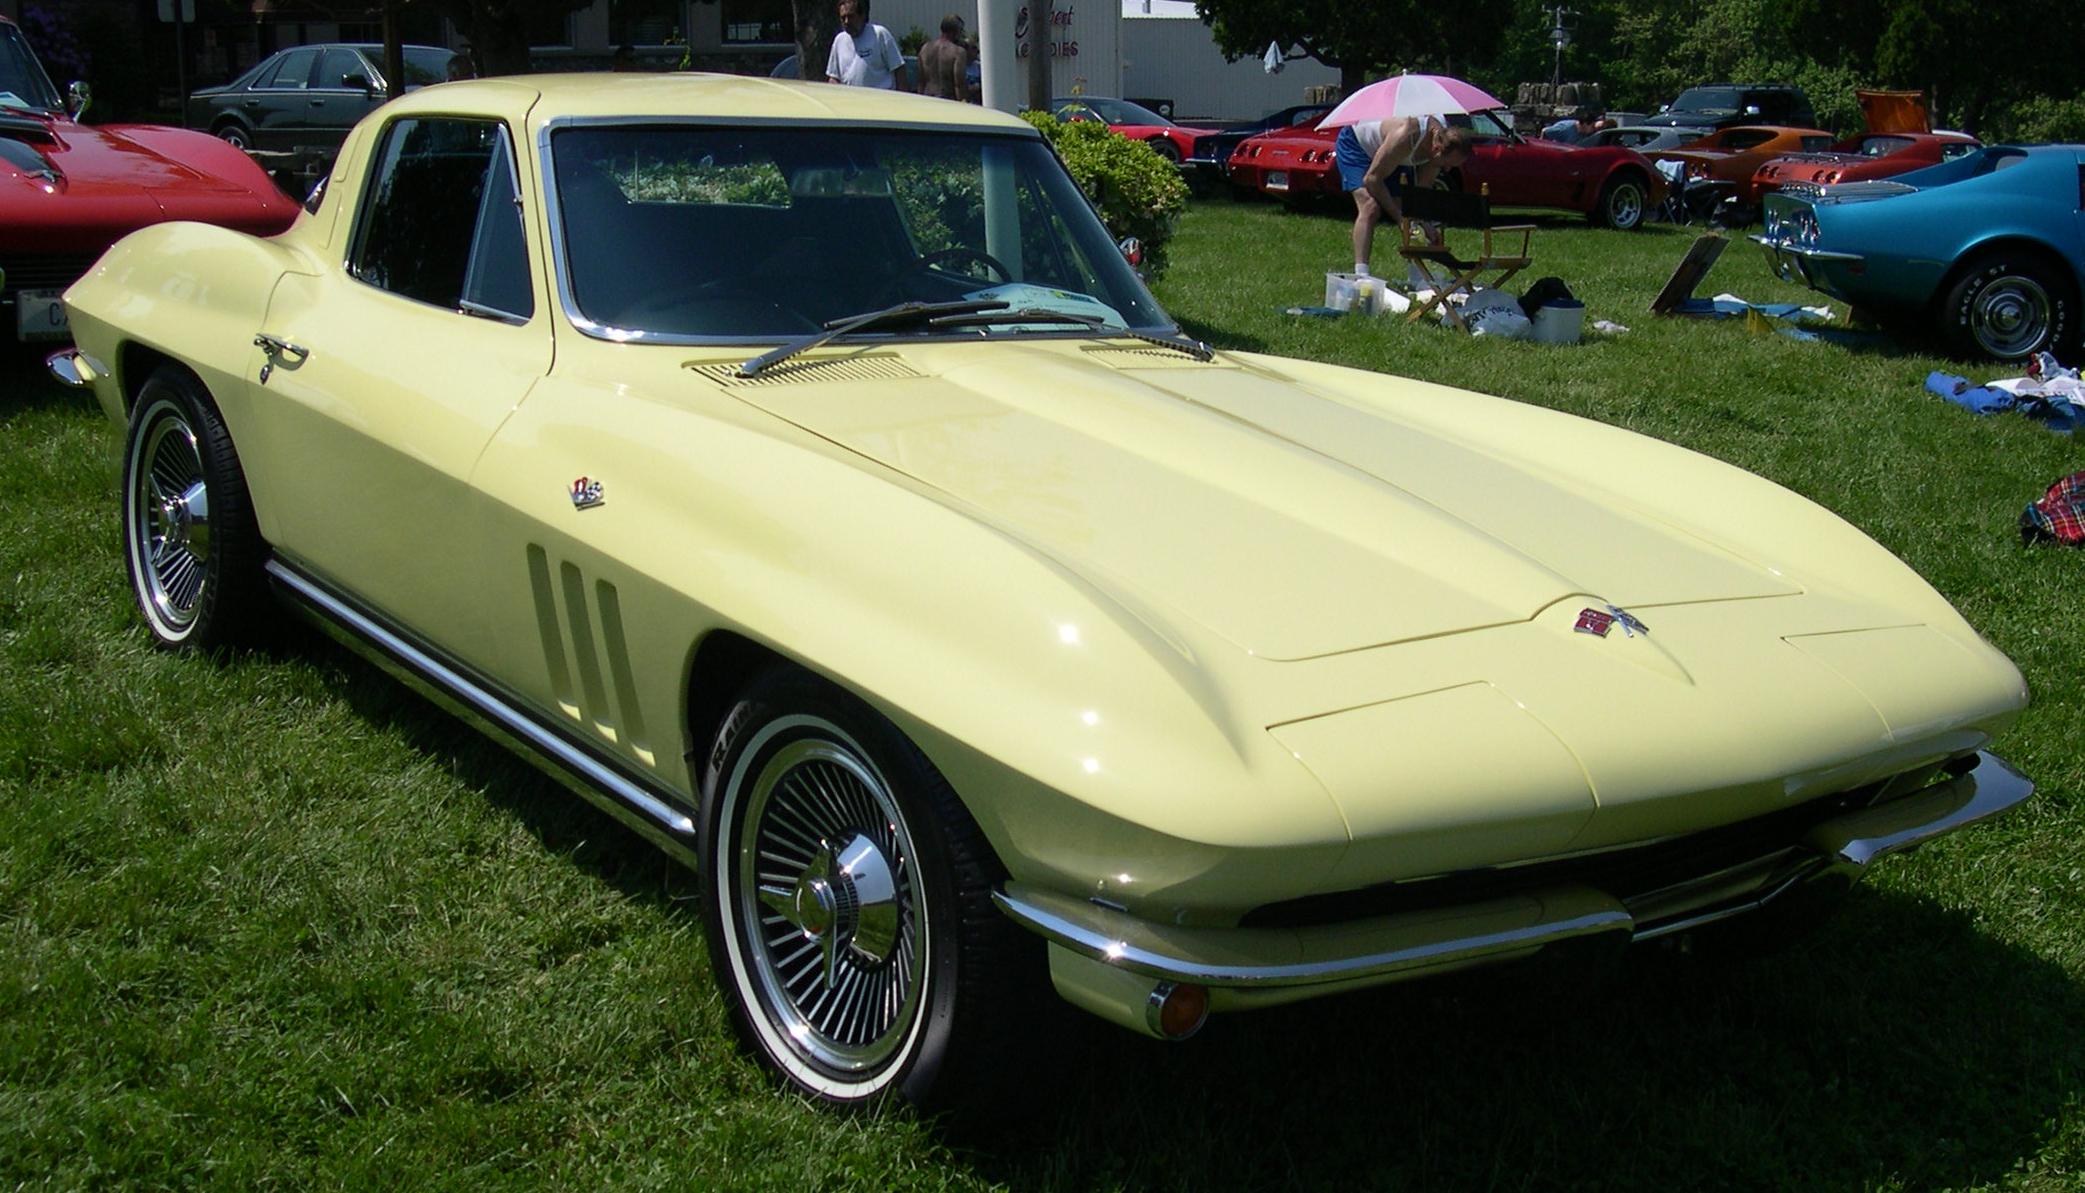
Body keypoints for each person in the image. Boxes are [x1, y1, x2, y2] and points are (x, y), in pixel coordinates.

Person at [1338, 115, 1475, 277]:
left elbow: (1420, 192)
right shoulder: (1405, 136)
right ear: (1436, 149)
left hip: (1395, 154)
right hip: (1358, 146)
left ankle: (1418, 276)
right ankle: (1361, 275)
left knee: (1408, 212)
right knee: (1370, 207)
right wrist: (1400, 219)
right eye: (1447, 164)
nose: (1447, 170)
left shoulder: (1443, 141)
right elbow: (1372, 179)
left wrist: (1424, 223)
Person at [826, 0, 907, 91]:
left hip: (881, 101)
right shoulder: (839, 41)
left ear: (862, 16)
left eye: (851, 16)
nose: (846, 21)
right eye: (843, 18)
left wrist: (902, 99)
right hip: (850, 101)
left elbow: (899, 69)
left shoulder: (879, 35)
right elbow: (834, 77)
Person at [917, 13, 971, 101]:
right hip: (948, 100)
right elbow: (959, 84)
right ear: (956, 31)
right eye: (961, 31)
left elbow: (921, 81)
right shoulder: (958, 52)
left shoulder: (925, 48)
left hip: (928, 99)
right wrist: (964, 103)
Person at [1541, 108, 1606, 144]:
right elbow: (1545, 131)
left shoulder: (1585, 134)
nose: (1593, 129)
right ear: (1585, 124)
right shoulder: (1566, 128)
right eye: (1592, 127)